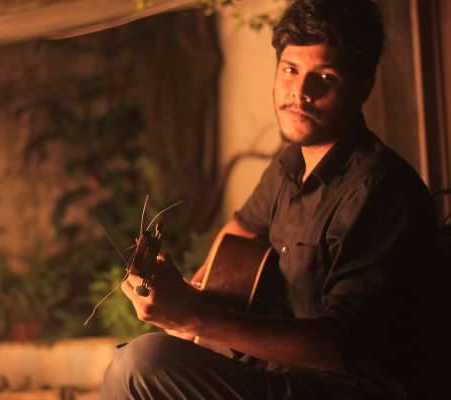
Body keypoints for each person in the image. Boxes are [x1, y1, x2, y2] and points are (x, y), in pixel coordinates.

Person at [100, 0, 438, 398]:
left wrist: (196, 317)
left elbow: (340, 347)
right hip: (274, 375)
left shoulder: (380, 192)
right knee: (133, 358)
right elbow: (239, 233)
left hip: (338, 390)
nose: (300, 93)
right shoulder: (288, 166)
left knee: (143, 363)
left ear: (363, 86)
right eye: (290, 70)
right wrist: (193, 292)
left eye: (323, 77)